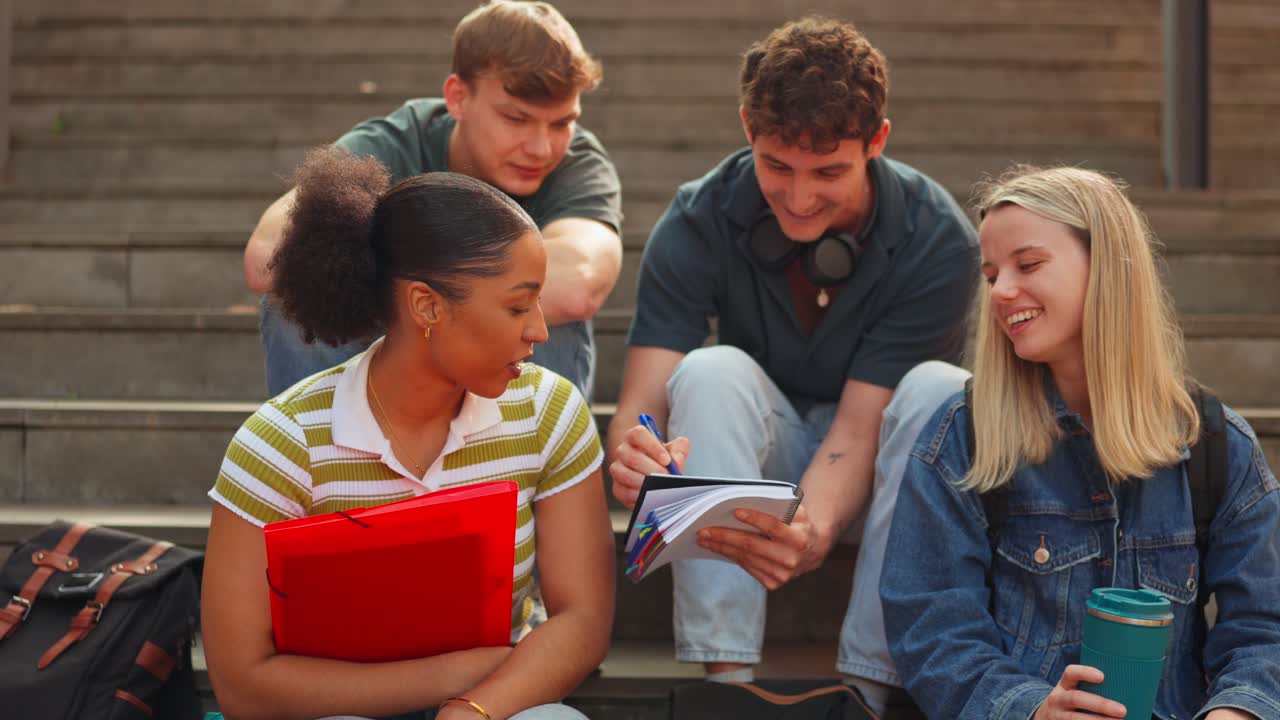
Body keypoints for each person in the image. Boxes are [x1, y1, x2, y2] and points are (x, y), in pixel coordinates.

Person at [605, 16, 979, 714]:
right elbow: (645, 402)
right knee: (711, 371)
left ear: (878, 142)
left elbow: (862, 431)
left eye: (829, 172)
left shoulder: (937, 238)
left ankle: (867, 689)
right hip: (760, 447)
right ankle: (728, 686)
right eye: (778, 167)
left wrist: (810, 533)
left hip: (878, 467)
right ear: (748, 127)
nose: (800, 199)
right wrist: (635, 451)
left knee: (941, 392)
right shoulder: (696, 218)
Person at [203, 147, 615, 720]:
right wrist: (451, 675)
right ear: (426, 306)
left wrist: (471, 709)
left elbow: (583, 620)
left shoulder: (547, 409)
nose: (540, 331)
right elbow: (243, 684)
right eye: (518, 307)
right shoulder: (283, 442)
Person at [880, 166, 1280, 720]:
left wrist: (1234, 712)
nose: (1002, 291)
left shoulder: (1217, 445)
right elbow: (931, 627)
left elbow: (1265, 628)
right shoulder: (963, 437)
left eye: (1029, 264)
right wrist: (1031, 708)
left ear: (1108, 268)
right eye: (992, 274)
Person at [243, 0, 623, 400]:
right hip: (396, 375)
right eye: (516, 118)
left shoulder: (579, 161)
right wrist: (428, 315)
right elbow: (270, 254)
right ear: (457, 97)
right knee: (299, 299)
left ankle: (526, 461)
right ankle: (327, 458)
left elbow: (578, 282)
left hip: (491, 379)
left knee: (542, 312)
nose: (541, 148)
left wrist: (432, 308)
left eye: (562, 123)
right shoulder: (395, 142)